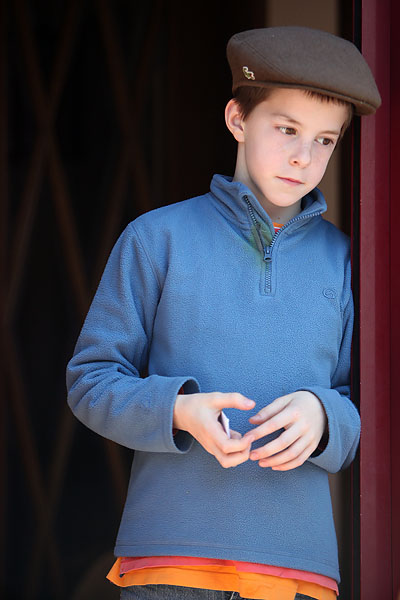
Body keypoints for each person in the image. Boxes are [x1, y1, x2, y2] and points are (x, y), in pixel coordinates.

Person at [66, 26, 381, 600]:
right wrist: (179, 410)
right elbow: (90, 381)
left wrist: (325, 416)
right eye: (287, 129)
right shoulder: (156, 239)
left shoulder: (347, 263)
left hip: (298, 570)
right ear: (238, 119)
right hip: (169, 565)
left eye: (325, 140)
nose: (303, 157)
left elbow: (368, 404)